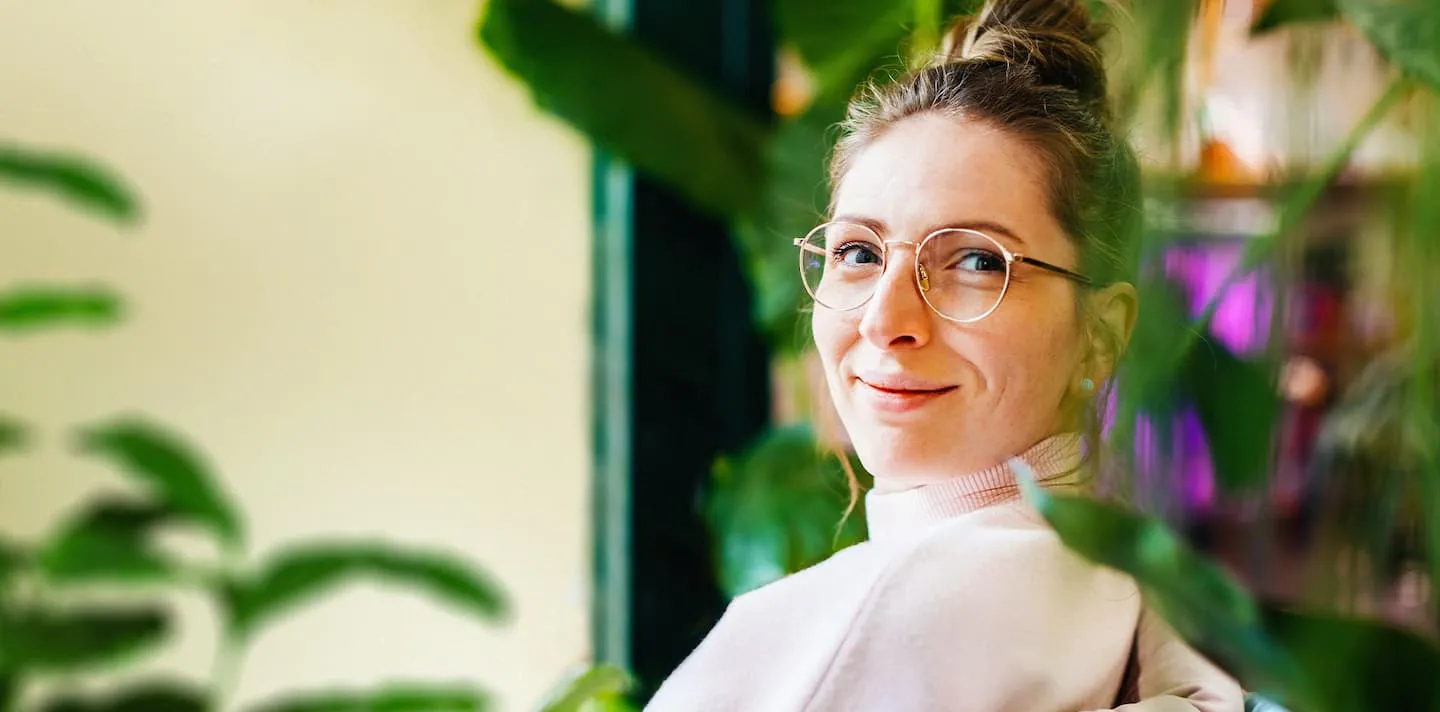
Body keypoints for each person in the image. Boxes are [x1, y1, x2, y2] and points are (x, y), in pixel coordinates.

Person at [645, 0, 1245, 710]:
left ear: (1101, 333)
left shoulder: (857, 636)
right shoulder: (1132, 595)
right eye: (859, 252)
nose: (885, 321)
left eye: (976, 262)